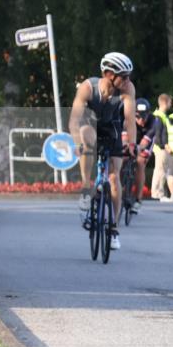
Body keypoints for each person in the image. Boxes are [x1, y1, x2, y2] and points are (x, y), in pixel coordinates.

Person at [69, 52, 137, 251]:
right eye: (123, 76)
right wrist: (76, 144)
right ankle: (85, 186)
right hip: (89, 124)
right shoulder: (88, 88)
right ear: (108, 74)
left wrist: (131, 145)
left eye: (129, 76)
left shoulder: (128, 89)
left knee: (114, 179)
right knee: (87, 136)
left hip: (112, 127)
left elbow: (130, 121)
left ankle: (113, 228)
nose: (127, 80)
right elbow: (74, 120)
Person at [129, 97, 153, 214]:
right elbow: (124, 138)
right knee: (121, 158)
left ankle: (138, 199)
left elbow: (144, 143)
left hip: (145, 141)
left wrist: (138, 149)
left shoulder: (154, 122)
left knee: (140, 163)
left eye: (144, 117)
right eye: (138, 117)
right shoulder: (127, 118)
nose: (141, 120)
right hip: (132, 139)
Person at [149, 94, 172, 200]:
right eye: (170, 102)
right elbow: (158, 134)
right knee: (160, 171)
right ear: (165, 102)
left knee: (160, 170)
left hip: (161, 147)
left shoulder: (160, 115)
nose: (171, 104)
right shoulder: (159, 115)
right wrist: (164, 146)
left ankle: (157, 192)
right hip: (161, 148)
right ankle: (158, 193)